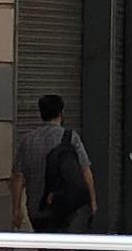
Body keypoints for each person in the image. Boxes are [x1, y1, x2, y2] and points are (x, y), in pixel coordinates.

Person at [10, 93, 98, 233]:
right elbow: (85, 170)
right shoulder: (71, 138)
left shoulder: (27, 140)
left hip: (36, 209)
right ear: (61, 113)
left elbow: (18, 177)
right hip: (66, 207)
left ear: (41, 113)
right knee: (64, 247)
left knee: (45, 247)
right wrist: (92, 201)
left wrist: (16, 210)